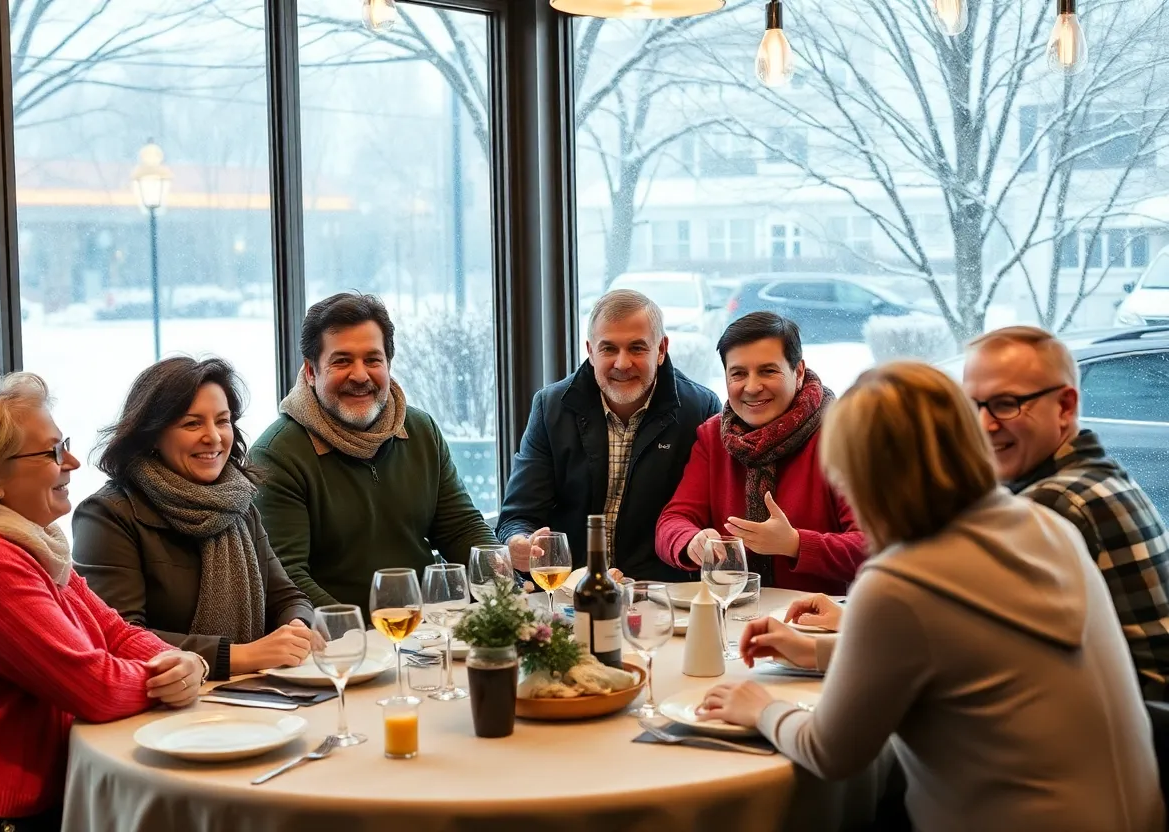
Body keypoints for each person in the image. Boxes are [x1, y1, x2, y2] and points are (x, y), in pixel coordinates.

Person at [702, 362, 1163, 832]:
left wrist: (761, 708)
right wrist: (814, 650)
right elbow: (970, 651)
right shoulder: (1042, 524)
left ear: (863, 476)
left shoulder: (900, 582)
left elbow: (831, 752)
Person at [0, 373, 204, 831]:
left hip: (46, 789)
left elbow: (115, 632)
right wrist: (167, 678)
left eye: (63, 443)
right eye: (51, 452)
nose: (71, 461)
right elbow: (95, 687)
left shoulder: (31, 540)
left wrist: (181, 660)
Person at [252, 292, 499, 611]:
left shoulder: (421, 430)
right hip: (339, 646)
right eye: (341, 361)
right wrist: (361, 632)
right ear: (311, 372)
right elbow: (287, 580)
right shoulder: (277, 454)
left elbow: (461, 527)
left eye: (372, 360)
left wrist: (505, 584)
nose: (360, 375)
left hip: (425, 629)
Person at [72, 358, 315, 681]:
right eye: (192, 424)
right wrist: (241, 656)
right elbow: (119, 637)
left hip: (252, 696)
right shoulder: (107, 515)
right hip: (159, 709)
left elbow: (287, 596)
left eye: (223, 421)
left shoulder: (238, 500)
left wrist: (297, 629)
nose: (213, 437)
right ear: (153, 435)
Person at [963, 326, 1169, 700]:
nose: (983, 425)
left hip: (1134, 732)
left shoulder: (1054, 505)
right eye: (971, 406)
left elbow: (974, 653)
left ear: (1065, 406)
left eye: (1005, 403)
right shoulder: (1096, 473)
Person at [497, 290, 721, 582]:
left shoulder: (700, 410)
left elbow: (703, 518)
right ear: (590, 351)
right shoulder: (551, 407)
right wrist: (519, 542)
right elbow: (518, 516)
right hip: (570, 588)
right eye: (609, 349)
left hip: (660, 591)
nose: (622, 363)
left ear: (662, 349)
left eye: (637, 348)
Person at [656, 312, 867, 594]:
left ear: (799, 372)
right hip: (731, 613)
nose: (752, 387)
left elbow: (874, 546)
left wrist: (794, 543)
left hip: (817, 622)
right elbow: (672, 521)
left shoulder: (842, 433)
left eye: (768, 371)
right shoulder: (712, 435)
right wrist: (690, 540)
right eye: (738, 374)